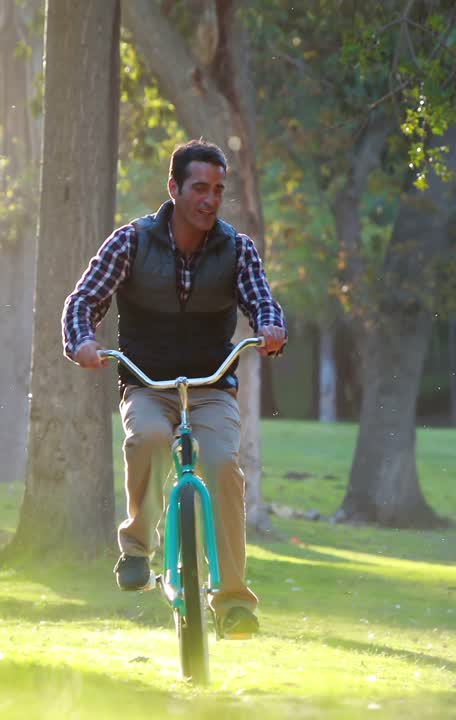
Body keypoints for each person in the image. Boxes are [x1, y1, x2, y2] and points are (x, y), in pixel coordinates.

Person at [62, 139, 287, 638]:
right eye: (200, 188)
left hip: (210, 386)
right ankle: (137, 548)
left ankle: (233, 602)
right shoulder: (131, 243)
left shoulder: (236, 249)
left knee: (222, 466)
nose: (210, 200)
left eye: (218, 190)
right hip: (147, 383)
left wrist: (271, 328)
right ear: (174, 189)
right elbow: (83, 301)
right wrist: (81, 341)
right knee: (149, 438)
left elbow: (261, 301)